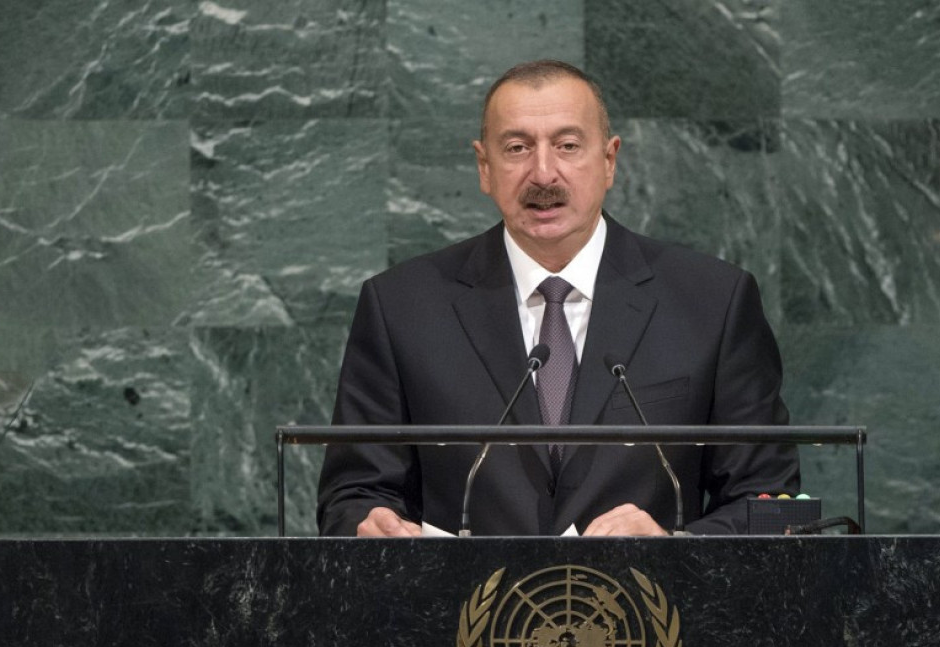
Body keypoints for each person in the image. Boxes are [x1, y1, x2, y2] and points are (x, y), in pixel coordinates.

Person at [318, 60, 798, 538]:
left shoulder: (712, 301)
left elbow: (776, 507)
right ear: (484, 167)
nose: (543, 174)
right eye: (517, 148)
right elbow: (351, 496)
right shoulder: (401, 307)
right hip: (459, 592)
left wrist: (676, 546)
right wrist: (371, 526)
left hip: (651, 589)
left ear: (609, 160)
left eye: (567, 146)